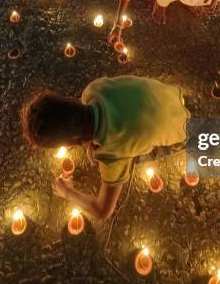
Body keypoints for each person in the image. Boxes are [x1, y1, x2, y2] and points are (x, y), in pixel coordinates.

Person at [20, 76, 190, 219]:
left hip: (184, 128)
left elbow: (103, 210)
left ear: (74, 140)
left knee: (132, 154)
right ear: (70, 101)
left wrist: (67, 192)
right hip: (170, 94)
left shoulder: (112, 154)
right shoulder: (93, 90)